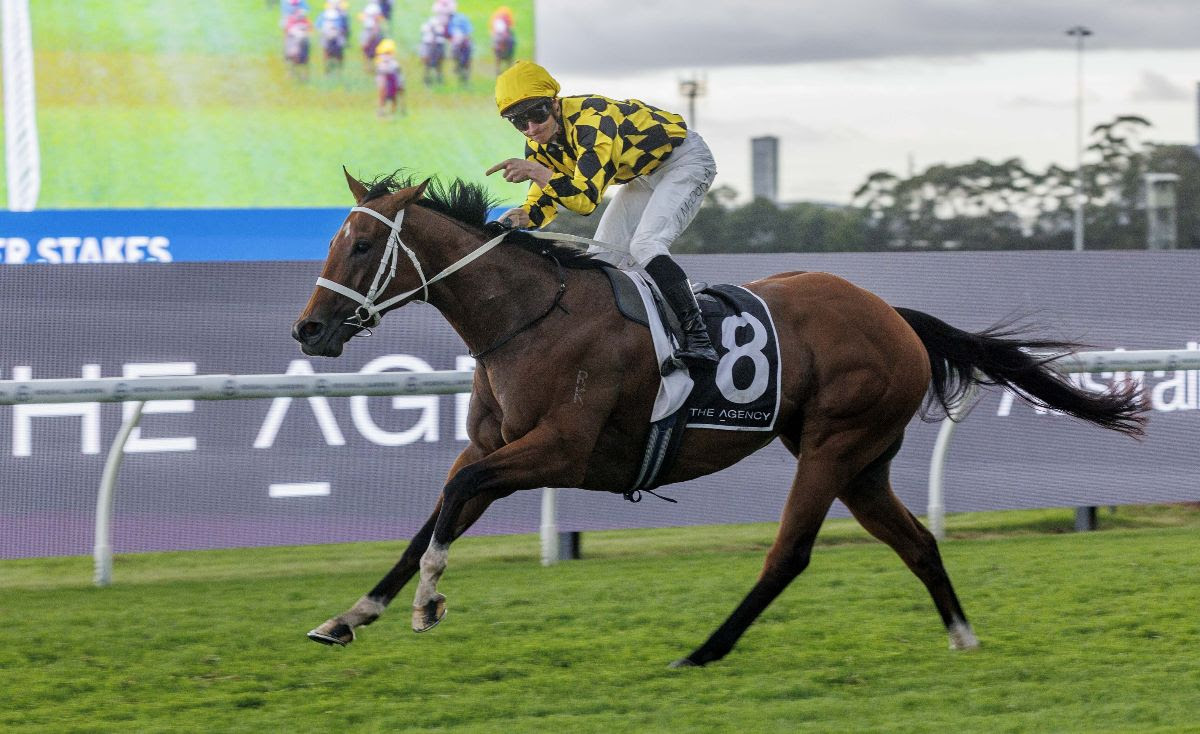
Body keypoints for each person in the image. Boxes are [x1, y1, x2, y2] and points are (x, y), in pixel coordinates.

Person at [486, 60, 719, 367]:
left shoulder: (592, 122)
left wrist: (535, 170)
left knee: (645, 245)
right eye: (519, 123)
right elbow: (542, 207)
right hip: (645, 175)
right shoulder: (539, 146)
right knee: (601, 261)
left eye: (537, 114)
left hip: (685, 161)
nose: (532, 129)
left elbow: (584, 202)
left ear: (554, 104)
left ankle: (699, 338)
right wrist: (519, 217)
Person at [373, 38, 405, 117]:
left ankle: (392, 111)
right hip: (384, 78)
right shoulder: (381, 62)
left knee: (394, 96)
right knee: (382, 94)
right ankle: (381, 110)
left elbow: (398, 73)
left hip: (392, 79)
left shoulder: (394, 63)